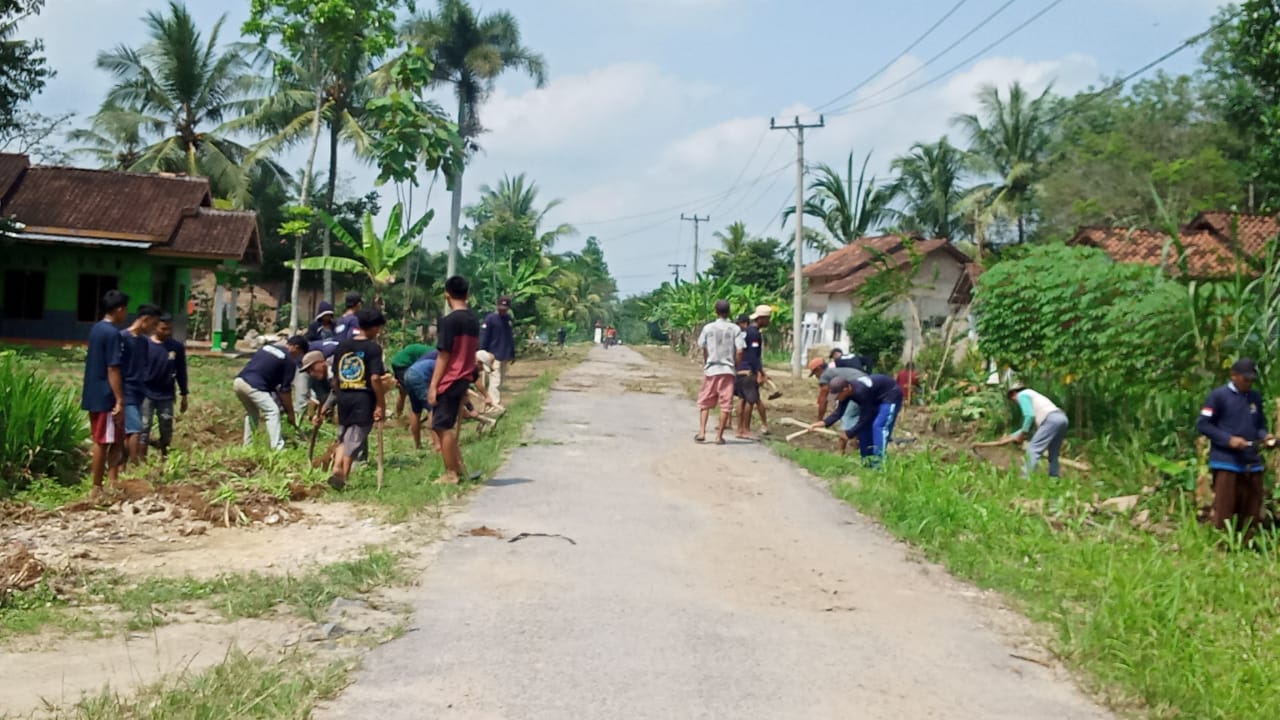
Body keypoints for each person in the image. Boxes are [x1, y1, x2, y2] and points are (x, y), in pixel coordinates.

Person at [1197, 358, 1272, 532]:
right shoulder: (1218, 396)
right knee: (1225, 507)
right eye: (1245, 379)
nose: (1249, 383)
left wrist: (1265, 437)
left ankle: (1248, 543)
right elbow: (1203, 424)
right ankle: (1223, 544)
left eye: (1252, 380)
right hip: (1227, 461)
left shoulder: (1255, 398)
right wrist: (1228, 440)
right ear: (1234, 376)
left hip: (1252, 460)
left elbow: (1259, 426)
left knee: (1251, 508)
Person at [327, 309, 389, 491]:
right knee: (354, 440)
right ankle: (342, 475)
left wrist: (339, 396)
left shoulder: (341, 346)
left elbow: (335, 379)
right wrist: (380, 403)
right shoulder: (373, 348)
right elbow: (376, 379)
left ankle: (337, 466)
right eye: (378, 328)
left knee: (343, 436)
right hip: (363, 398)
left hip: (344, 396)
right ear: (374, 328)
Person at [429, 276, 481, 485]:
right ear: (467, 295)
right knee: (445, 423)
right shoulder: (473, 319)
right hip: (465, 376)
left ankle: (451, 473)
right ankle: (459, 467)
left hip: (451, 378)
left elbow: (444, 355)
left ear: (447, 295)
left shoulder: (449, 321)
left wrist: (433, 385)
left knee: (441, 425)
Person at [82, 290, 129, 493]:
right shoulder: (112, 334)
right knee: (103, 441)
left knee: (115, 439)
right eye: (125, 310)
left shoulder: (96, 329)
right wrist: (119, 399)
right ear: (118, 310)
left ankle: (112, 482)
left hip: (93, 393)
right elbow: (113, 368)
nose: (126, 314)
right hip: (105, 396)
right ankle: (97, 487)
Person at [234, 335, 307, 450]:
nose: (298, 357)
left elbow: (274, 384)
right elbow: (285, 392)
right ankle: (277, 447)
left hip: (239, 382)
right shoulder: (289, 360)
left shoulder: (267, 347)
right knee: (272, 411)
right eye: (299, 354)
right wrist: (291, 413)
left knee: (252, 413)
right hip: (254, 386)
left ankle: (247, 446)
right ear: (295, 348)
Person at [812, 374, 902, 464]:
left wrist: (849, 433)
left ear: (845, 389)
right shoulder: (846, 393)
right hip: (874, 398)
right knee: (863, 430)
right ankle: (867, 461)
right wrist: (823, 423)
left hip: (890, 395)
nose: (836, 398)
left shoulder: (861, 392)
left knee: (879, 426)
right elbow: (838, 413)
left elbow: (866, 417)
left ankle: (879, 464)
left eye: (837, 395)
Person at [696, 299, 745, 445]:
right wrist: (735, 365)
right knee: (725, 403)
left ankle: (702, 432)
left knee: (705, 401)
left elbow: (703, 346)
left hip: (711, 369)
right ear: (729, 312)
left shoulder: (708, 328)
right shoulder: (735, 329)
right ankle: (719, 436)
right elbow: (740, 350)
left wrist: (707, 362)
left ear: (715, 311)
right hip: (727, 370)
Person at [141, 313, 189, 460]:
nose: (167, 332)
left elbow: (181, 371)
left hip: (166, 394)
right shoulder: (145, 345)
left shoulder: (176, 347)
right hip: (146, 392)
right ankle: (140, 459)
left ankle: (164, 454)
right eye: (163, 329)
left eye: (170, 329)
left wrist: (184, 394)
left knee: (166, 424)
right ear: (155, 327)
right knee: (144, 426)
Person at [120, 304, 162, 464]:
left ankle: (124, 464)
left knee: (130, 429)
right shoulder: (122, 338)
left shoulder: (144, 342)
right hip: (126, 390)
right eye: (153, 323)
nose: (153, 328)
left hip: (139, 390)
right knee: (134, 429)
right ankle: (133, 463)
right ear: (145, 320)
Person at [1003, 386, 1070, 478]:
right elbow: (1029, 426)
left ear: (1014, 394)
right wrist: (1011, 436)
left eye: (1014, 400)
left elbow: (1029, 416)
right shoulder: (1034, 396)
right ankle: (1054, 478)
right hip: (1061, 418)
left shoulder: (1022, 395)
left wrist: (1022, 435)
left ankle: (1025, 478)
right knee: (1053, 452)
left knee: (1033, 448)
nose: (1016, 402)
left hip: (1050, 420)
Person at [808, 356, 869, 453]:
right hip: (867, 388)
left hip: (857, 389)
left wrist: (819, 420)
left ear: (819, 369)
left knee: (846, 416)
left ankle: (840, 451)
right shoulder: (835, 371)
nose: (816, 377)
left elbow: (824, 400)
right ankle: (858, 446)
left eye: (815, 374)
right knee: (858, 418)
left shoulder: (825, 376)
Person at [735, 305, 772, 439]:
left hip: (739, 369)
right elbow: (754, 356)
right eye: (768, 319)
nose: (769, 321)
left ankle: (739, 429)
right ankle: (745, 429)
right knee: (750, 401)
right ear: (761, 318)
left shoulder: (745, 331)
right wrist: (759, 372)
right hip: (749, 371)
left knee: (741, 399)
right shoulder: (755, 333)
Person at [479, 296, 516, 405]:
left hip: (505, 354)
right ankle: (494, 403)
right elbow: (484, 337)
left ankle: (495, 402)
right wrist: (483, 353)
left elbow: (510, 337)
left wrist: (512, 354)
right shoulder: (490, 319)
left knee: (501, 380)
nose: (502, 310)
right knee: (495, 380)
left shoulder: (508, 319)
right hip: (493, 355)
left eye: (505, 308)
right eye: (501, 307)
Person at [403, 349, 440, 451]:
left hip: (409, 373)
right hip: (420, 376)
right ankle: (437, 445)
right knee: (433, 409)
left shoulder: (436, 357)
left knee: (416, 410)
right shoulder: (444, 362)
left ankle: (418, 445)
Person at [390, 336, 436, 417]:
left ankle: (399, 416)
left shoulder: (432, 352)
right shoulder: (437, 356)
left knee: (403, 392)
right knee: (413, 394)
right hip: (403, 364)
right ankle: (408, 418)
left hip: (398, 361)